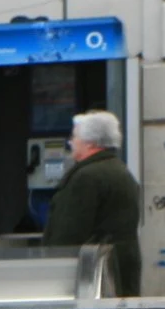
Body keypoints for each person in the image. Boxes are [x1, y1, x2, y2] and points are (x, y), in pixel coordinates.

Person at [43, 110, 143, 296]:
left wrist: (52, 266)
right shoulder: (119, 170)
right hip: (118, 271)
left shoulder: (86, 177)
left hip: (94, 275)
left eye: (74, 137)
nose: (70, 142)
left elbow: (68, 234)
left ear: (90, 142)